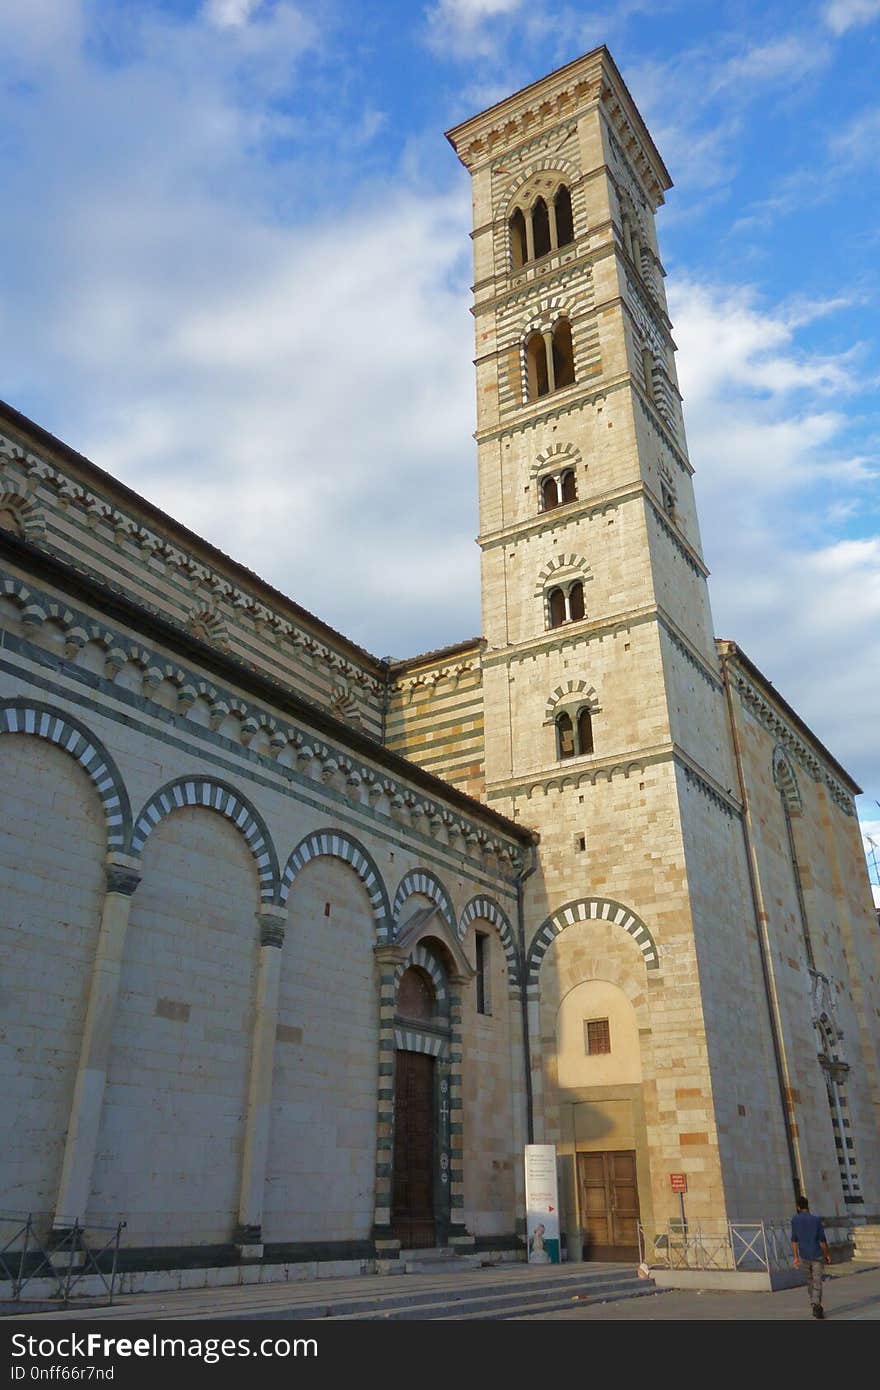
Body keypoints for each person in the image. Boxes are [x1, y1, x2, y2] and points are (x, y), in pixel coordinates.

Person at [791, 1195, 831, 1318]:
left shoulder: (795, 1220)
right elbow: (822, 1241)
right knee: (817, 1281)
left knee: (810, 1282)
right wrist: (827, 1254)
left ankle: (815, 1304)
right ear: (807, 1206)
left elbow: (794, 1240)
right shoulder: (816, 1220)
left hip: (804, 1255)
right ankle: (816, 1305)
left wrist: (796, 1257)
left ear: (798, 1207)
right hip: (817, 1255)